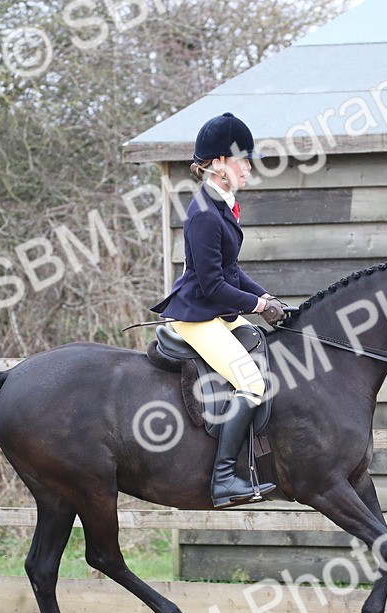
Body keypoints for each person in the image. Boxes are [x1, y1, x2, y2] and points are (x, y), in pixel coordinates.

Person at [151, 112, 286, 508]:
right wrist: (258, 304)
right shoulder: (205, 213)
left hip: (217, 312)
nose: (248, 166)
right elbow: (212, 284)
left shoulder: (223, 205)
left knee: (265, 346)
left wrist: (270, 301)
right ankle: (224, 478)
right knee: (252, 383)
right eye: (242, 159)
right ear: (218, 164)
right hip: (197, 316)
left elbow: (232, 270)